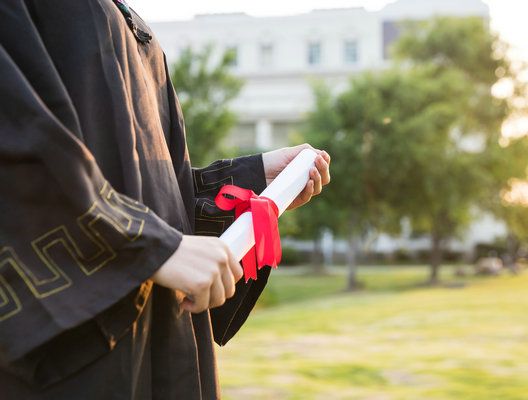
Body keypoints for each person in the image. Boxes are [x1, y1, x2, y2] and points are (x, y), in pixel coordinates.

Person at [0, 1, 330, 399]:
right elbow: (16, 150)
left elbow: (151, 192)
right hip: (80, 351)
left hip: (164, 333)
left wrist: (249, 180)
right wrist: (145, 242)